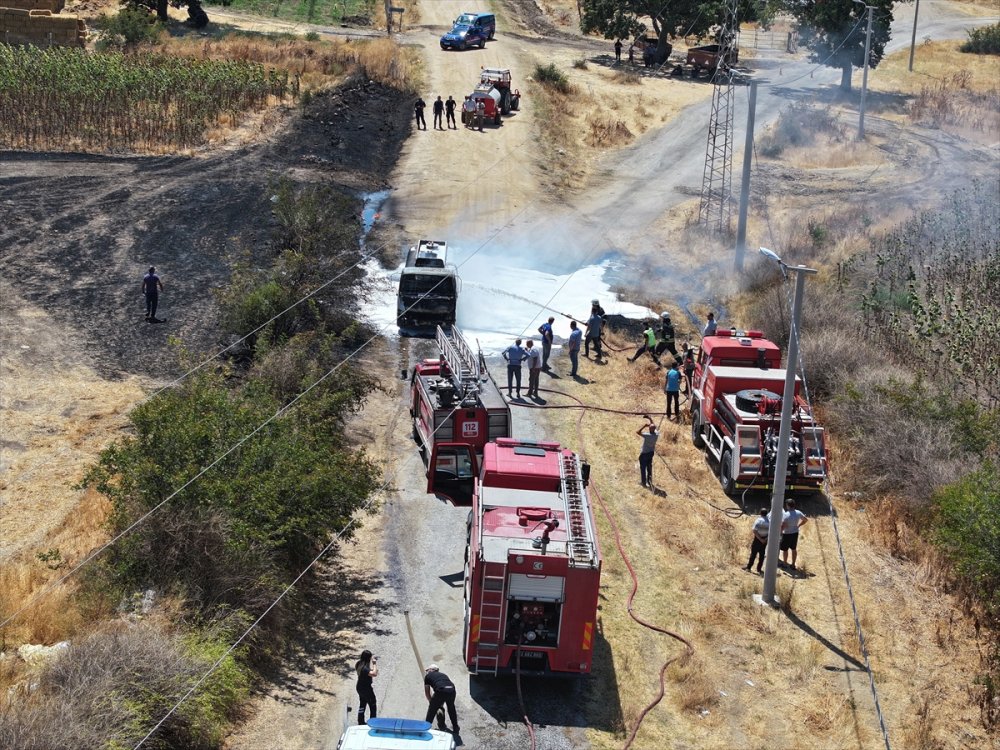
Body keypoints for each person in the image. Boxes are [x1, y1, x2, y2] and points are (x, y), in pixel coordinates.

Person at [423, 665, 459, 734]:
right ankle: (455, 727)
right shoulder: (443, 675)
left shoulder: (428, 676)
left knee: (431, 711)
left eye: (427, 670)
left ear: (432, 670)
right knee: (451, 709)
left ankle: (426, 729)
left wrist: (432, 703)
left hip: (440, 690)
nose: (427, 672)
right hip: (452, 690)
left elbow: (427, 693)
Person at [780, 499, 809, 570]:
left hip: (786, 534)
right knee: (793, 549)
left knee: (785, 550)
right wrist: (799, 525)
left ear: (787, 505)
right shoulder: (798, 512)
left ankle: (784, 563)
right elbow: (805, 519)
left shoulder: (786, 515)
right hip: (795, 533)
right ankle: (793, 564)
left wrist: (780, 532)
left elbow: (783, 525)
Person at [355, 650, 379, 725]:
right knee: (373, 704)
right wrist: (374, 664)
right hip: (366, 688)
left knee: (362, 703)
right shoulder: (364, 667)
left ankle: (360, 721)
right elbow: (374, 674)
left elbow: (368, 672)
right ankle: (373, 722)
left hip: (359, 687)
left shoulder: (359, 664)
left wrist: (372, 670)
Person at [745, 508, 769, 574]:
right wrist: (765, 539)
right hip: (765, 540)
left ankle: (748, 568)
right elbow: (770, 532)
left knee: (753, 554)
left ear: (760, 513)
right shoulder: (769, 521)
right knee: (762, 555)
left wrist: (760, 539)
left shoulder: (758, 520)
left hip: (757, 540)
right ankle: (759, 569)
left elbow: (754, 530)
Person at [637, 418, 658, 488]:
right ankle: (649, 481)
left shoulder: (647, 435)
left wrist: (644, 426)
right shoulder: (656, 435)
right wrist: (650, 419)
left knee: (643, 468)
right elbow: (653, 427)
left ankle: (643, 482)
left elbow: (638, 432)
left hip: (644, 454)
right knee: (649, 468)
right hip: (651, 453)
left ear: (649, 429)